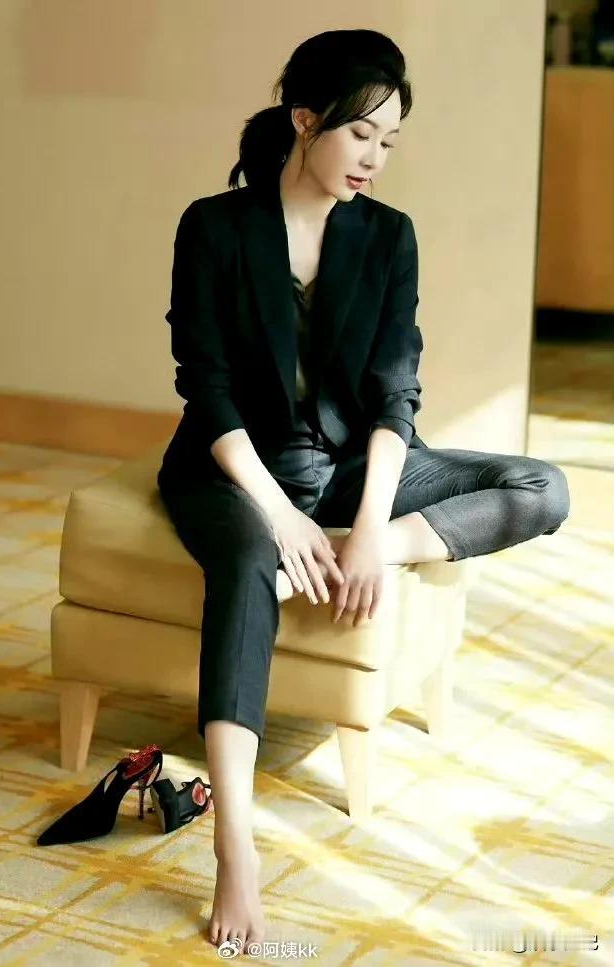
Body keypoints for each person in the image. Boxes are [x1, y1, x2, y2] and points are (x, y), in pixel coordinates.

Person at [155, 29, 571, 954]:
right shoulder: (215, 226)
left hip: (350, 470)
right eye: (360, 134)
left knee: (540, 485)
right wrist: (277, 515)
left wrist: (373, 533)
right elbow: (205, 385)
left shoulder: (388, 236)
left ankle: (357, 544)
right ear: (306, 120)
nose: (376, 158)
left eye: (390, 140)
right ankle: (235, 846)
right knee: (248, 565)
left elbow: (394, 394)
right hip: (236, 468)